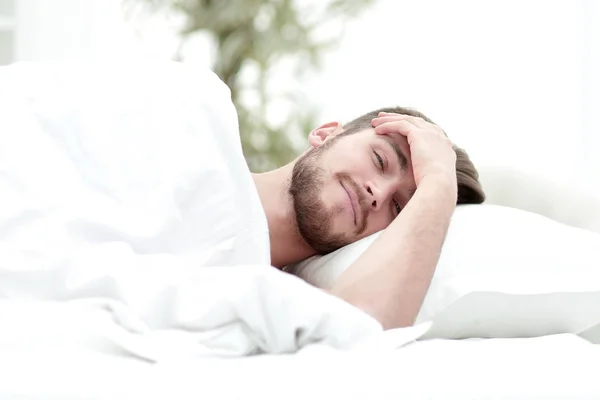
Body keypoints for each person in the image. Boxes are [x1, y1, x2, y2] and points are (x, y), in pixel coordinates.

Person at [253, 106, 484, 329]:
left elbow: (356, 330)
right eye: (380, 160)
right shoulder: (217, 139)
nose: (379, 193)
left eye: (397, 207)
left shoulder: (271, 300)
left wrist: (439, 182)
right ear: (326, 133)